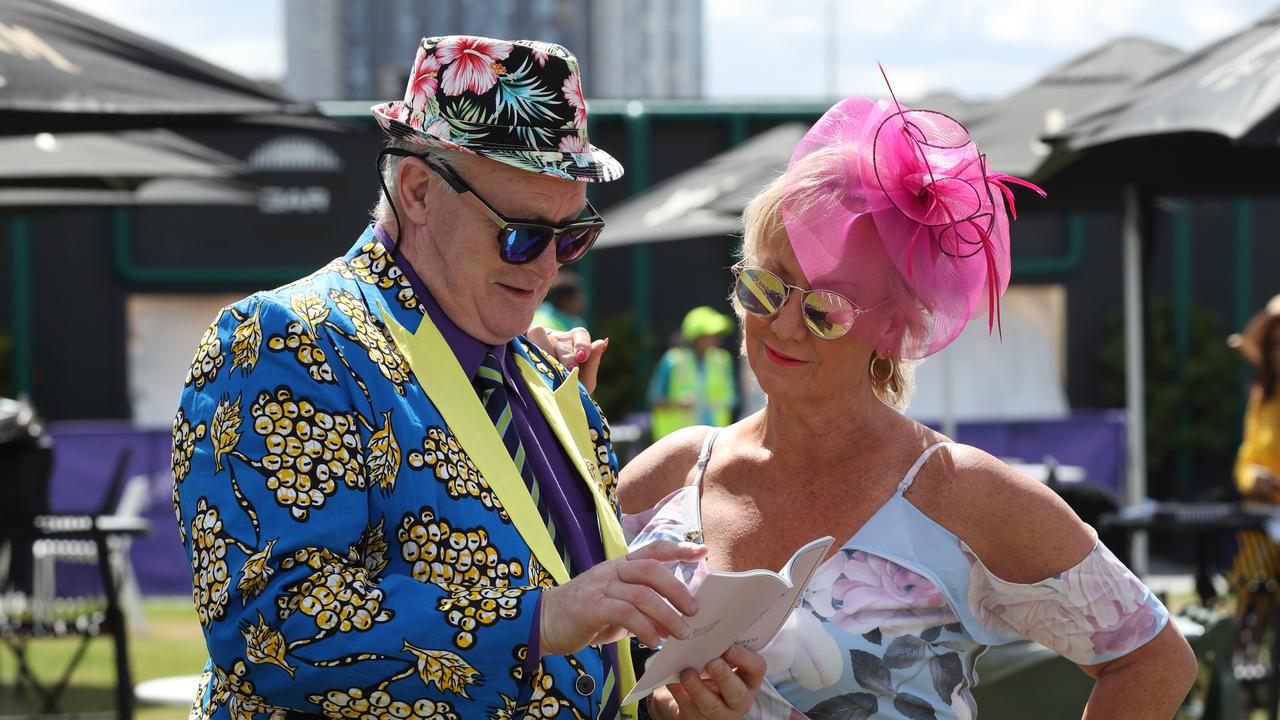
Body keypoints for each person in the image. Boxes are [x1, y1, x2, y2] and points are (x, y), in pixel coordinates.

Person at [173, 35, 762, 720]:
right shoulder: (288, 338)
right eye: (520, 234)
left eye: (573, 237)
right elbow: (269, 629)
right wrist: (540, 619)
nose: (548, 268)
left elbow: (576, 649)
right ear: (419, 191)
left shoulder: (543, 373)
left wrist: (661, 702)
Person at [618, 93, 1197, 718]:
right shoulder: (672, 475)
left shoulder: (959, 492)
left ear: (894, 327)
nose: (784, 326)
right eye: (766, 286)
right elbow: (546, 649)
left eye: (826, 307)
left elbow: (1152, 658)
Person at [1226, 295, 1280, 697]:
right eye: (1274, 344)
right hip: (1260, 527)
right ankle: (1242, 681)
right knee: (1246, 596)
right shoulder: (1262, 397)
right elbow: (1245, 460)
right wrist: (1254, 479)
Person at [647, 307, 738, 441]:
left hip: (716, 439)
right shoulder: (672, 360)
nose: (716, 339)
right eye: (711, 334)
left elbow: (732, 399)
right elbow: (654, 400)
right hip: (676, 442)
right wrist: (678, 404)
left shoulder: (723, 360)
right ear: (696, 337)